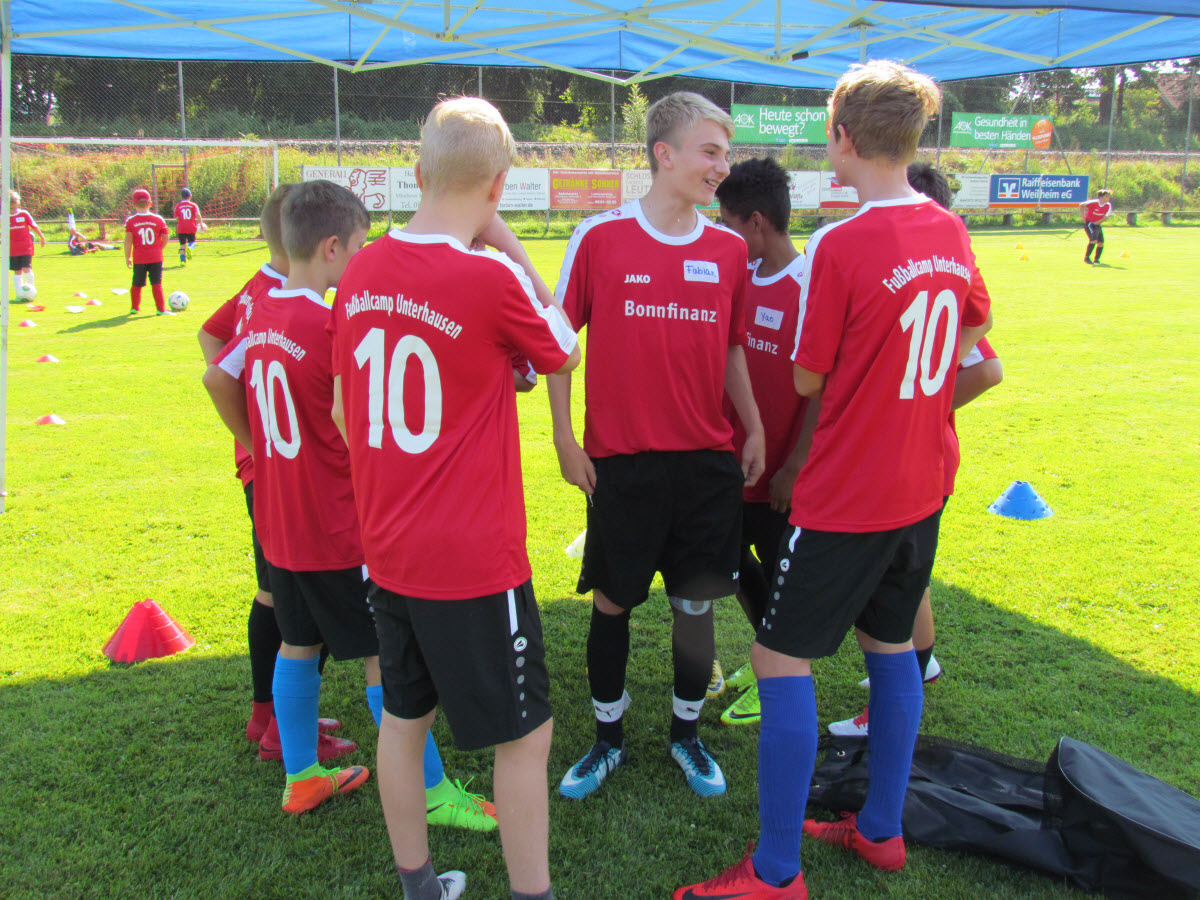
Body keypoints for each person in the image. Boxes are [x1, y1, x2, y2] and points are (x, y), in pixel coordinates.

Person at [677, 60, 991, 899]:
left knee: (777, 658)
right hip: (923, 483)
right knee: (890, 648)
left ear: (842, 138)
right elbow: (976, 331)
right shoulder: (948, 229)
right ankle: (882, 830)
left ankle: (777, 871)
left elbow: (809, 377)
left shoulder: (843, 245)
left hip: (852, 493)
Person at [329, 97, 579, 900]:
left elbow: (347, 409)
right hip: (471, 558)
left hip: (387, 548)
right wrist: (506, 242)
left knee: (404, 720)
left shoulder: (361, 270)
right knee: (526, 735)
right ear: (499, 185)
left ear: (417, 171)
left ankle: (419, 886)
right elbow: (564, 348)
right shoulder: (488, 274)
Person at [549, 91, 765, 802]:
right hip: (623, 463)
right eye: (711, 152)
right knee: (612, 603)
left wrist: (755, 426)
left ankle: (686, 735)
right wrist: (564, 437)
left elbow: (732, 348)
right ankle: (606, 740)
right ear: (664, 154)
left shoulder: (729, 249)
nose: (722, 167)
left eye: (726, 154)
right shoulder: (599, 237)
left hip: (706, 465)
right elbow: (558, 344)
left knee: (695, 608)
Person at [828, 162, 1003, 738]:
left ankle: (901, 688)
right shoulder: (925, 267)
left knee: (890, 592)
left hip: (912, 460)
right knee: (906, 582)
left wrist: (921, 401)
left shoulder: (933, 273)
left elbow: (989, 368)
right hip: (912, 462)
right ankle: (915, 672)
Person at [712, 157, 820, 728]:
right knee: (729, 564)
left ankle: (777, 673)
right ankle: (766, 655)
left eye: (727, 222)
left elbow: (822, 390)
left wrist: (795, 466)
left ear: (755, 222)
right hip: (732, 465)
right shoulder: (741, 277)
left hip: (779, 476)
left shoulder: (809, 288)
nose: (722, 232)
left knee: (782, 577)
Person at [123, 188, 171, 316]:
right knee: (156, 283)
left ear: (134, 205)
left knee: (137, 283)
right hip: (155, 257)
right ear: (150, 203)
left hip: (139, 258)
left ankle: (134, 308)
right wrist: (159, 249)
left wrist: (128, 257)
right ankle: (160, 309)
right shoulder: (158, 219)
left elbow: (128, 241)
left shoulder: (131, 221)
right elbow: (166, 237)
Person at [8, 191, 45, 297]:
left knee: (26, 268)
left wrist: (41, 236)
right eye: (11, 208)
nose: (14, 210)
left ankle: (31, 293)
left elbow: (33, 226)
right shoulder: (4, 217)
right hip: (13, 249)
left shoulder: (24, 214)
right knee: (17, 271)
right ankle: (19, 295)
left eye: (15, 207)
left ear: (18, 203)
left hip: (25, 247)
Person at [1079, 188, 1113, 265]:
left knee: (1101, 243)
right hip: (1089, 224)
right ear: (1101, 197)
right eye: (1106, 196)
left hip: (1097, 224)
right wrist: (1083, 217)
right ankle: (1087, 258)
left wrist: (1096, 223)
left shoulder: (1108, 205)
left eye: (1109, 196)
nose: (1108, 198)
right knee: (1093, 240)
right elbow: (1082, 205)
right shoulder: (1094, 202)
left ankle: (1096, 259)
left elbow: (1105, 217)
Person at [174, 187, 204, 265]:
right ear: (190, 196)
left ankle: (182, 261)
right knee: (192, 242)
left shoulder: (178, 206)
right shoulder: (193, 205)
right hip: (191, 227)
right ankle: (190, 248)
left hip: (181, 227)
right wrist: (201, 224)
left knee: (182, 245)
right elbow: (197, 215)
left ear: (181, 196)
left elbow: (177, 218)